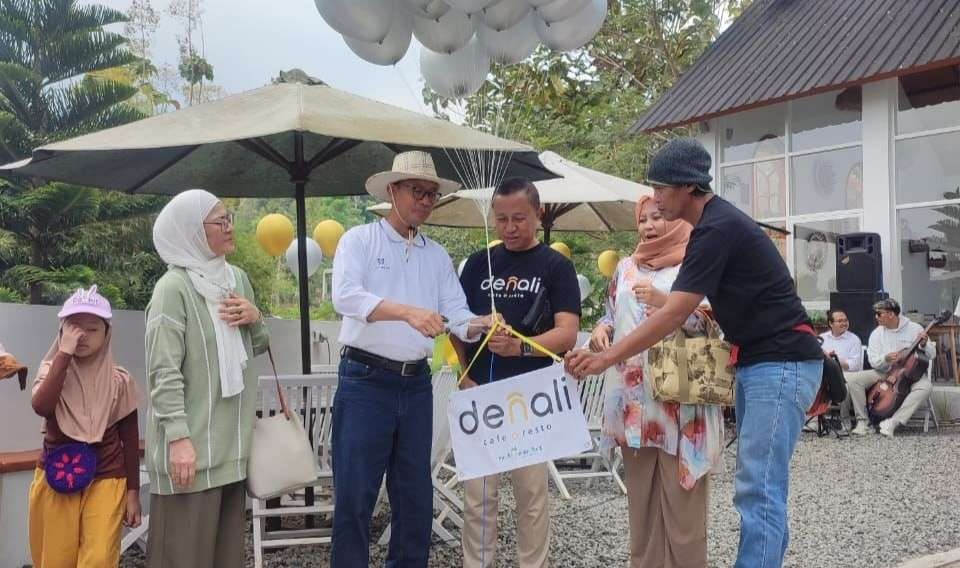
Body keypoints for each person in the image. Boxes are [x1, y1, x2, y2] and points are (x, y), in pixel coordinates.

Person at [566, 138, 824, 568]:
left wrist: (606, 359)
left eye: (661, 188)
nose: (655, 198)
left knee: (758, 489)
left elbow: (677, 313)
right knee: (762, 488)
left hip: (781, 361)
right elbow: (676, 308)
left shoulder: (714, 230)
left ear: (687, 187)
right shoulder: (714, 226)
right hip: (761, 361)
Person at [331, 151, 494, 568]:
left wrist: (482, 324)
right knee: (355, 495)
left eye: (430, 194)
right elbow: (345, 296)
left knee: (415, 495)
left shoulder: (436, 254)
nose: (424, 200)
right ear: (393, 191)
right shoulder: (360, 240)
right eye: (416, 191)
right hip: (366, 378)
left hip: (416, 383)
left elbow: (456, 315)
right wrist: (406, 311)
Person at [588, 195, 723, 568]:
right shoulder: (626, 268)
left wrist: (668, 303)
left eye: (659, 216)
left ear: (677, 218)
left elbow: (713, 325)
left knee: (683, 513)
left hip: (680, 402)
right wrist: (603, 329)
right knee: (642, 509)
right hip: (633, 403)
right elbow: (611, 312)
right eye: (643, 219)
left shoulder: (696, 262)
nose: (649, 225)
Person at [455, 178, 581, 568]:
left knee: (531, 497)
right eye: (502, 219)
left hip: (532, 394)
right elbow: (457, 323)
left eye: (519, 219)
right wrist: (463, 370)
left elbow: (567, 331)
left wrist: (520, 346)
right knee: (479, 497)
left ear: (537, 214)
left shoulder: (556, 266)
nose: (510, 228)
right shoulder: (478, 263)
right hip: (481, 392)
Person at [145, 189, 270, 567]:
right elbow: (163, 371)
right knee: (183, 558)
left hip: (231, 450)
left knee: (224, 558)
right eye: (220, 221)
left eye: (229, 217)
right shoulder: (174, 289)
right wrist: (179, 438)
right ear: (191, 232)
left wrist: (256, 317)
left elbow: (256, 347)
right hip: (192, 452)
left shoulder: (238, 280)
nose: (230, 226)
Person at [28, 286, 141, 568]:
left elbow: (130, 437)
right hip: (57, 477)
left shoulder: (119, 381)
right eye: (73, 328)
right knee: (55, 558)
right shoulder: (50, 370)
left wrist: (133, 494)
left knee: (100, 558)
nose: (82, 336)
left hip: (106, 477)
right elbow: (42, 406)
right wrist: (63, 355)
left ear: (107, 334)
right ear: (62, 330)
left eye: (92, 329)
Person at [843, 298, 934, 437]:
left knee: (926, 387)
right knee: (855, 379)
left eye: (879, 314)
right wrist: (885, 359)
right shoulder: (877, 333)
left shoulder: (915, 328)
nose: (876, 317)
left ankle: (894, 421)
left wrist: (924, 345)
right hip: (884, 371)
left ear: (891, 314)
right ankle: (863, 422)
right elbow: (873, 361)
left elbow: (932, 354)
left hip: (911, 374)